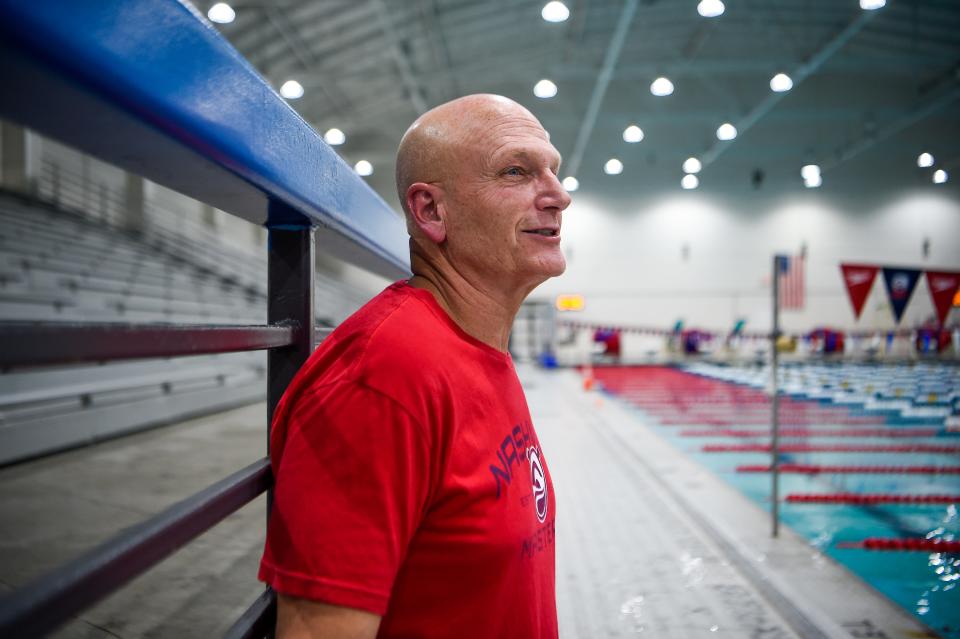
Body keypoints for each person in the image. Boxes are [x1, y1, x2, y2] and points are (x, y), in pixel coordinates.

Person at [258, 93, 572, 639]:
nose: (559, 197)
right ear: (431, 211)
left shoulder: (475, 346)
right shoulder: (381, 379)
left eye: (554, 171)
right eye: (517, 171)